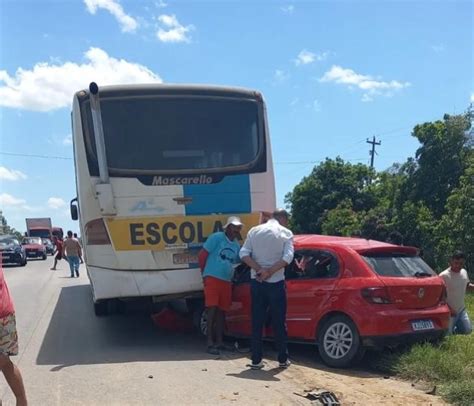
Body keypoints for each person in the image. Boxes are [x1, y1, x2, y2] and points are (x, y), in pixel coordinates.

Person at [240, 209, 294, 370]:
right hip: (276, 282)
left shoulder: (254, 231)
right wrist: (269, 272)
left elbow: (243, 254)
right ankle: (282, 358)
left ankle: (256, 360)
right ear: (283, 219)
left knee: (257, 321)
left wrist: (259, 270)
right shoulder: (286, 232)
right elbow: (288, 258)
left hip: (257, 282)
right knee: (279, 322)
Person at [198, 216, 243, 355]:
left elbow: (237, 261)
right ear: (228, 227)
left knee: (222, 312)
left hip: (226, 281)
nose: (237, 230)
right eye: (235, 227)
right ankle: (210, 343)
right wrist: (204, 274)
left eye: (239, 227)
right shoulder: (216, 238)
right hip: (212, 278)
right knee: (211, 310)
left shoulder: (236, 245)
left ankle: (220, 342)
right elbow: (202, 256)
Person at [0, 263, 28, 406]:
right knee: (4, 362)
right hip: (4, 312)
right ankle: (22, 401)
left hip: (2, 315)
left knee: (4, 362)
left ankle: (22, 401)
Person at [439, 251, 474, 335]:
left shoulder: (464, 272)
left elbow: (467, 285)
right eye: (456, 263)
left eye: (461, 263)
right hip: (449, 312)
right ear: (451, 261)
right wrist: (450, 310)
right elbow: (440, 297)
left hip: (461, 310)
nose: (458, 265)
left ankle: (457, 325)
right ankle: (452, 326)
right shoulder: (443, 276)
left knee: (468, 330)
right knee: (447, 334)